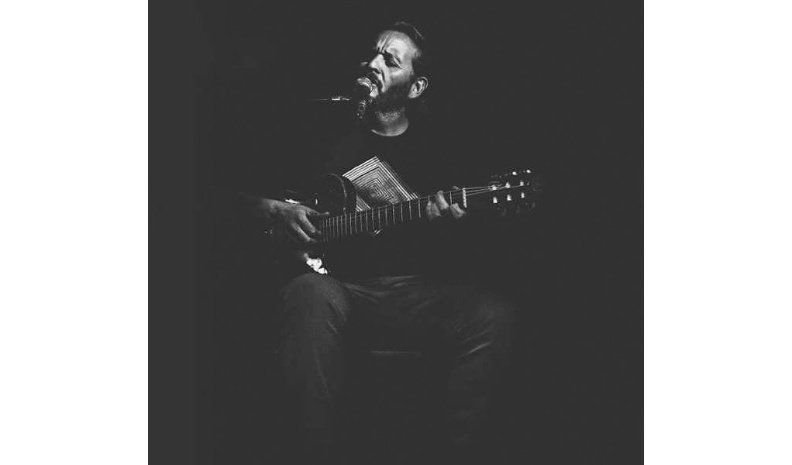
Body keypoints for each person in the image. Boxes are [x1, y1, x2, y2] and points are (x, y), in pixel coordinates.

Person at [249, 21, 518, 464]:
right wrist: (281, 213)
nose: (373, 63)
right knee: (308, 294)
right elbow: (256, 200)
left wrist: (450, 225)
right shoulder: (326, 134)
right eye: (374, 53)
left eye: (390, 61)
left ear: (416, 87)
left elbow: (466, 253)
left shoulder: (439, 149)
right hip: (340, 288)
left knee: (493, 315)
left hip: (412, 291)